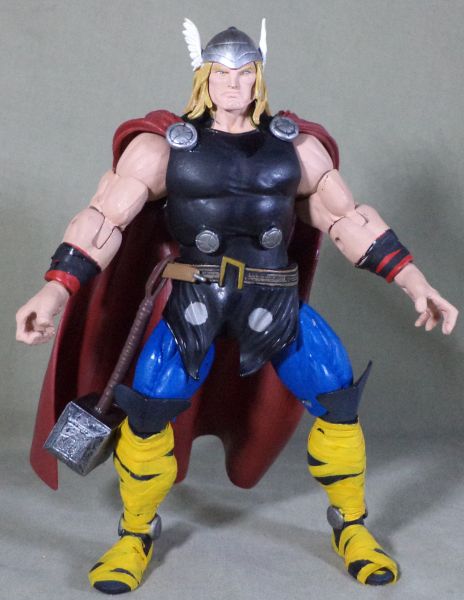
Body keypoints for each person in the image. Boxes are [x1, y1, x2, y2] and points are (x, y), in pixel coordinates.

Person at [16, 19, 458, 594]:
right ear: (203, 75)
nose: (233, 83)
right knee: (147, 412)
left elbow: (348, 220)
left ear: (259, 75)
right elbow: (102, 220)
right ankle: (134, 534)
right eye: (222, 72)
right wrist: (55, 289)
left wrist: (415, 281)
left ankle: (351, 525)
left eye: (245, 72)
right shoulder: (162, 149)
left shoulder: (295, 149)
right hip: (194, 304)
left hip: (272, 302)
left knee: (337, 397)